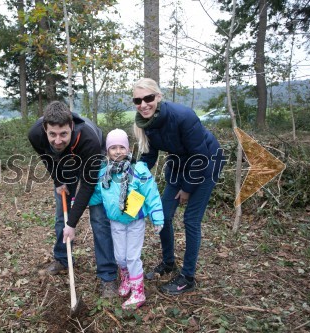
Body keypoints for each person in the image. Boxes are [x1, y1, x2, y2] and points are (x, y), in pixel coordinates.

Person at [132, 78, 226, 295]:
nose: (143, 104)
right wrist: (133, 180)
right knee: (163, 215)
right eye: (138, 100)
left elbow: (200, 156)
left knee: (191, 220)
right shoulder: (146, 123)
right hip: (179, 163)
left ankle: (188, 277)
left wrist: (187, 189)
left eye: (148, 98)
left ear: (158, 97)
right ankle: (168, 263)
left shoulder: (183, 116)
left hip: (207, 162)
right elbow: (149, 156)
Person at [28, 101, 119, 297]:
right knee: (62, 215)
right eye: (52, 134)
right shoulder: (35, 134)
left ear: (71, 126)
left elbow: (87, 185)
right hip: (64, 165)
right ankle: (62, 258)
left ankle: (108, 275)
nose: (58, 140)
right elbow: (46, 157)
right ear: (45, 129)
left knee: (99, 219)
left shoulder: (89, 140)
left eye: (63, 134)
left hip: (92, 160)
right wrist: (57, 179)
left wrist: (73, 223)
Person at [89, 129, 164, 309]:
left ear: (128, 148)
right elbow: (98, 195)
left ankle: (138, 293)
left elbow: (151, 193)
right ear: (107, 151)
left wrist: (157, 216)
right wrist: (79, 201)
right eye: (112, 147)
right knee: (119, 257)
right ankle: (127, 280)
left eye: (121, 147)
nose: (117, 151)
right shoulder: (104, 173)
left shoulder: (138, 169)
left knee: (132, 257)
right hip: (116, 222)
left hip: (135, 221)